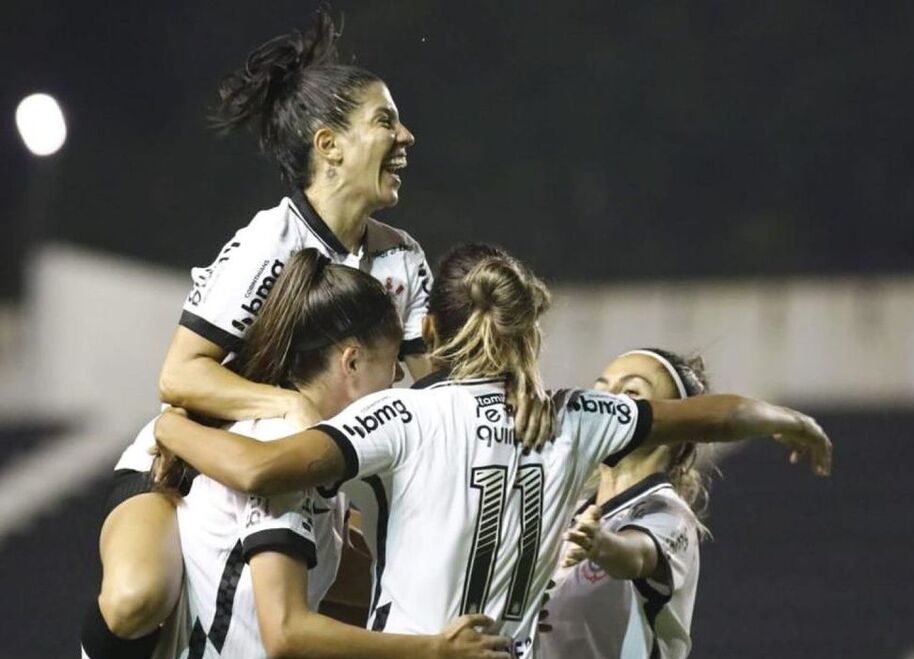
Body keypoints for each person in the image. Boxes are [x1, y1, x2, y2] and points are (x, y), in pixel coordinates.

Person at [153, 242, 833, 658]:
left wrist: (169, 427)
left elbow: (258, 466)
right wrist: (786, 421)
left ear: (429, 329)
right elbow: (709, 415)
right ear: (528, 330)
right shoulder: (573, 416)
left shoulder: (398, 414)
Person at [81, 10, 450, 659]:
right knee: (135, 596)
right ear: (329, 145)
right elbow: (181, 375)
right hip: (189, 469)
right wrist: (289, 407)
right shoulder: (268, 242)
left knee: (362, 603)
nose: (408, 135)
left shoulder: (403, 261)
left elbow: (433, 396)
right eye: (385, 120)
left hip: (297, 483)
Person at [86, 249, 511, 659]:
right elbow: (286, 633)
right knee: (135, 598)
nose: (398, 376)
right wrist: (434, 650)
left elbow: (360, 586)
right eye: (391, 362)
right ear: (352, 361)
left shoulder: (314, 449)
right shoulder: (282, 442)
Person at [540, 348, 713, 659]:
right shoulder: (563, 508)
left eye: (631, 392)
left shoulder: (667, 515)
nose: (606, 404)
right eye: (602, 389)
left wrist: (603, 544)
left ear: (672, 427)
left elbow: (635, 555)